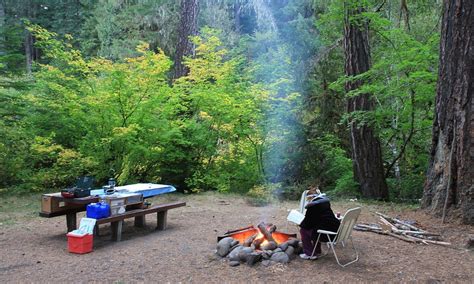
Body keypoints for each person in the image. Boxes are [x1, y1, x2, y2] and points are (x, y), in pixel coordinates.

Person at [299, 187, 340, 260]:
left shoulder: (313, 206)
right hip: (335, 229)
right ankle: (317, 250)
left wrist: (301, 224)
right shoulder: (325, 202)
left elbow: (308, 222)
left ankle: (309, 254)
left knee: (303, 230)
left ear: (311, 197)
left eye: (308, 199)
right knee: (314, 227)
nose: (308, 201)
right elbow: (317, 218)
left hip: (327, 234)